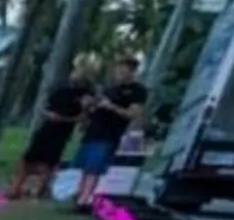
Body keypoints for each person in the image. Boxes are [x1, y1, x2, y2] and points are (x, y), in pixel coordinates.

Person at [69, 53, 148, 210]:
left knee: (94, 167)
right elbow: (94, 108)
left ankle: (84, 200)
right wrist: (89, 107)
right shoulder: (109, 89)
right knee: (85, 166)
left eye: (125, 70)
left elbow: (132, 114)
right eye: (119, 69)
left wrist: (111, 106)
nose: (121, 73)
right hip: (93, 130)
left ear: (132, 71)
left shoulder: (137, 91)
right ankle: (79, 195)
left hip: (109, 134)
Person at [12, 58, 95, 200]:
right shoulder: (60, 88)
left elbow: (84, 118)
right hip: (47, 127)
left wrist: (65, 118)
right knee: (28, 158)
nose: (76, 74)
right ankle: (16, 187)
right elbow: (44, 107)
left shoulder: (86, 93)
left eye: (81, 72)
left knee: (50, 162)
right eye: (75, 71)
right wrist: (48, 114)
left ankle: (42, 189)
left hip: (62, 131)